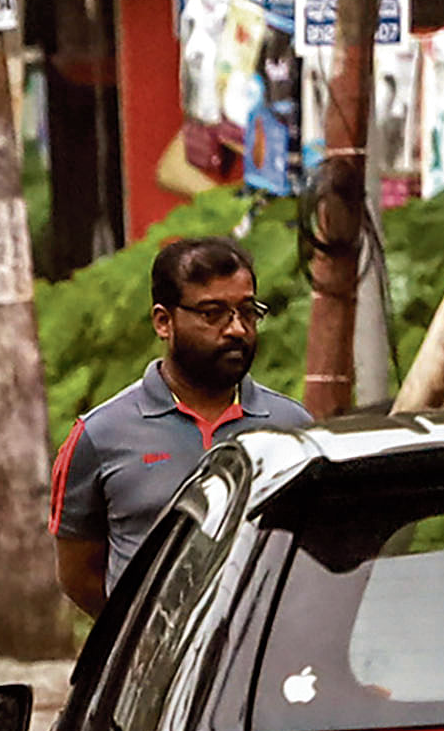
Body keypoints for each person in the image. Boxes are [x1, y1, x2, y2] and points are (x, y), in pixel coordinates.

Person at [51, 236, 312, 613]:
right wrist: (136, 638)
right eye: (212, 313)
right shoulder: (100, 434)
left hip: (264, 661)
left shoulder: (292, 427)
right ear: (164, 321)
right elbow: (78, 574)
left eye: (247, 311)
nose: (237, 329)